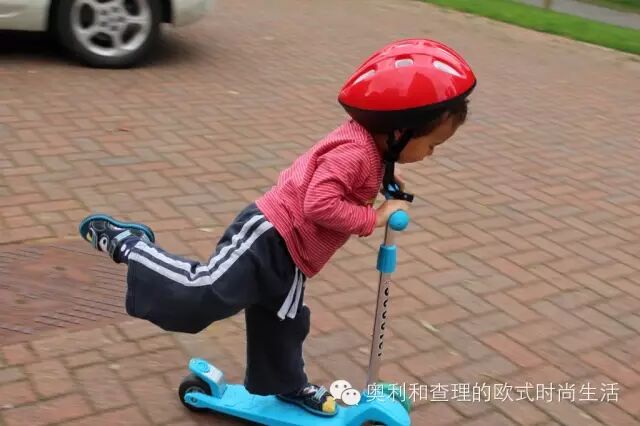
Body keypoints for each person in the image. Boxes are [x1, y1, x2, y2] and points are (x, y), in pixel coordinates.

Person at [78, 38, 476, 417]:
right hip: (268, 236)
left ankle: (288, 386)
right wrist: (375, 216)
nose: (430, 154)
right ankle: (131, 245)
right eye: (432, 145)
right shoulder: (356, 152)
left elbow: (354, 177)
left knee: (283, 322)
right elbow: (319, 203)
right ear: (400, 131)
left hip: (294, 254)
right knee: (204, 296)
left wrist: (387, 180)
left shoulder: (371, 148)